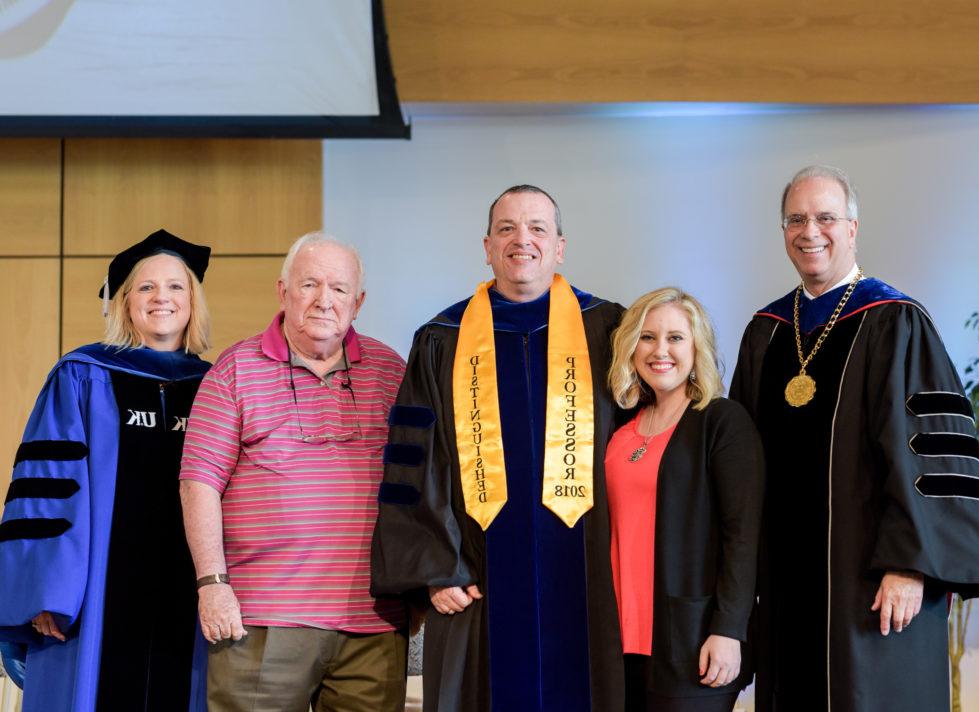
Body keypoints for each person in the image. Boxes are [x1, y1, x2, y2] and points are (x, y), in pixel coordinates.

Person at [730, 165, 979, 711]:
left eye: (826, 217)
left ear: (852, 228)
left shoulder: (895, 321)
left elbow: (934, 453)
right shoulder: (767, 331)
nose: (811, 231)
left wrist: (910, 564)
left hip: (872, 582)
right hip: (786, 587)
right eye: (797, 219)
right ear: (783, 231)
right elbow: (738, 463)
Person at [371, 184, 626, 712]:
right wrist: (437, 567)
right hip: (476, 580)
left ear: (560, 245)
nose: (521, 240)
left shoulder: (609, 329)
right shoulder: (442, 338)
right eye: (507, 229)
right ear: (487, 246)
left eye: (537, 228)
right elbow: (412, 463)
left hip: (589, 576)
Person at [179, 232, 407, 712]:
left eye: (340, 289)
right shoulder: (234, 370)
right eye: (310, 285)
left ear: (358, 301)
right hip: (261, 621)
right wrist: (212, 585)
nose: (325, 300)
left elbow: (421, 484)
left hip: (374, 623)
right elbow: (198, 481)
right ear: (283, 292)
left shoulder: (391, 372)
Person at [0, 229, 213, 712]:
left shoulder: (215, 386)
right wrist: (48, 593)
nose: (163, 298)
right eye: (146, 287)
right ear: (123, 302)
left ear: (193, 300)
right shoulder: (81, 375)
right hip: (93, 597)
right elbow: (46, 492)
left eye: (176, 286)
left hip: (188, 597)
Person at [605, 288, 764, 712]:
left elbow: (744, 537)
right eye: (648, 337)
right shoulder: (618, 431)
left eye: (676, 337)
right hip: (617, 642)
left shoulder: (721, 422)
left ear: (697, 348)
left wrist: (729, 630)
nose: (661, 351)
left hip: (693, 640)